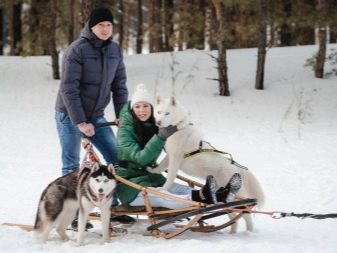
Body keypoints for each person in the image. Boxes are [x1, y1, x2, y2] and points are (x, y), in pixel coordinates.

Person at [54, 7, 134, 228]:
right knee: (71, 164)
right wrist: (80, 122)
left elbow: (119, 87)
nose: (106, 29)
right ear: (91, 26)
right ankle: (72, 215)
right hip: (69, 114)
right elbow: (69, 89)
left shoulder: (115, 50)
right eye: (101, 25)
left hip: (96, 115)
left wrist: (121, 116)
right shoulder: (76, 51)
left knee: (115, 158)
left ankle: (114, 208)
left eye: (109, 25)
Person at [115, 84, 236, 209]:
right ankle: (206, 197)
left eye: (146, 106)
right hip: (130, 187)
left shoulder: (155, 124)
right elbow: (140, 159)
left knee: (183, 190)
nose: (142, 110)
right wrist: (160, 137)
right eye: (137, 106)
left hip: (152, 179)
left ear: (152, 108)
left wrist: (183, 132)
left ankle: (219, 195)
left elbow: (171, 149)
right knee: (163, 197)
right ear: (132, 109)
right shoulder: (125, 132)